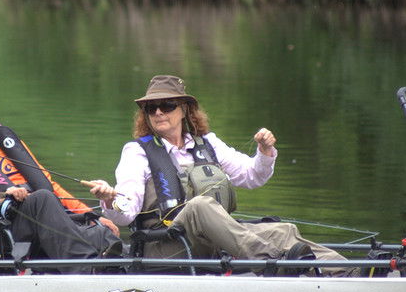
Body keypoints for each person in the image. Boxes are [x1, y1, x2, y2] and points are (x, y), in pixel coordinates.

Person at [93, 75, 344, 269]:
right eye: (151, 108)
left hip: (215, 243)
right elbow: (126, 213)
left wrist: (265, 151)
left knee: (282, 230)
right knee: (201, 205)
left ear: (184, 109)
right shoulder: (136, 152)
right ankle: (273, 261)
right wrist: (110, 199)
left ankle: (348, 271)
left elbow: (252, 176)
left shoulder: (209, 143)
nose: (158, 112)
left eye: (166, 105)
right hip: (167, 245)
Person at [0, 84, 121, 267]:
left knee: (102, 232)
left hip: (38, 224)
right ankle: (86, 268)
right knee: (42, 199)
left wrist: (90, 215)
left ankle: (119, 270)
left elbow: (50, 185)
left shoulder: (8, 145)